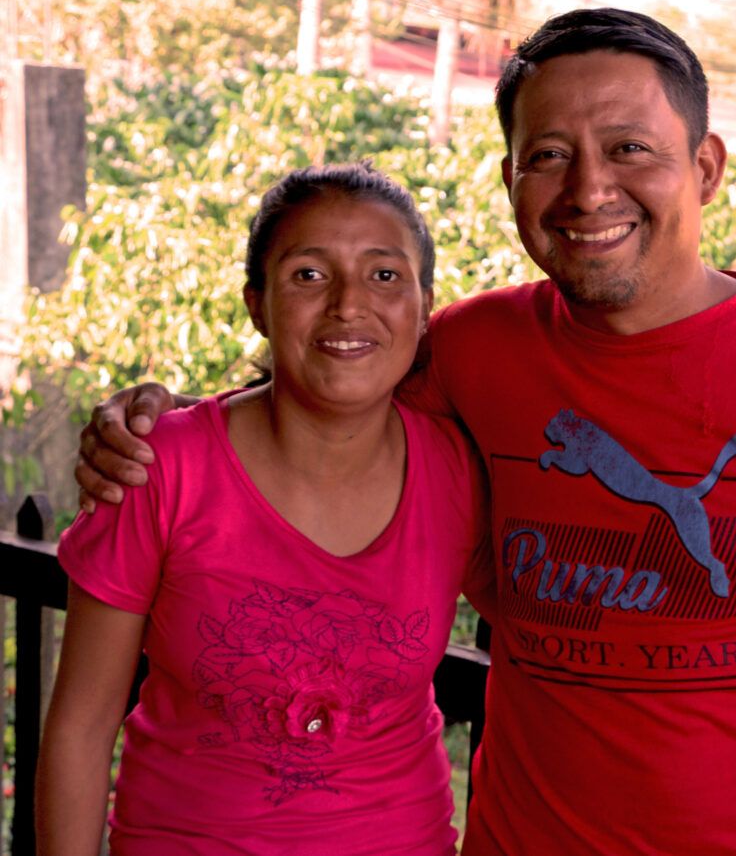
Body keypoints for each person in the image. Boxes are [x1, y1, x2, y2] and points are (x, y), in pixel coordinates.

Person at [74, 8, 736, 856]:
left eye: (630, 149)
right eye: (550, 156)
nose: (589, 189)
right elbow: (321, 387)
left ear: (707, 167)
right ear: (509, 180)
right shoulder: (470, 350)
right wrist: (151, 422)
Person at [36, 162, 491, 856]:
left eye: (385, 275)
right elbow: (81, 727)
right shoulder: (159, 467)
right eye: (308, 275)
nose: (347, 304)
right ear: (257, 303)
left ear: (424, 306)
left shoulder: (461, 468)